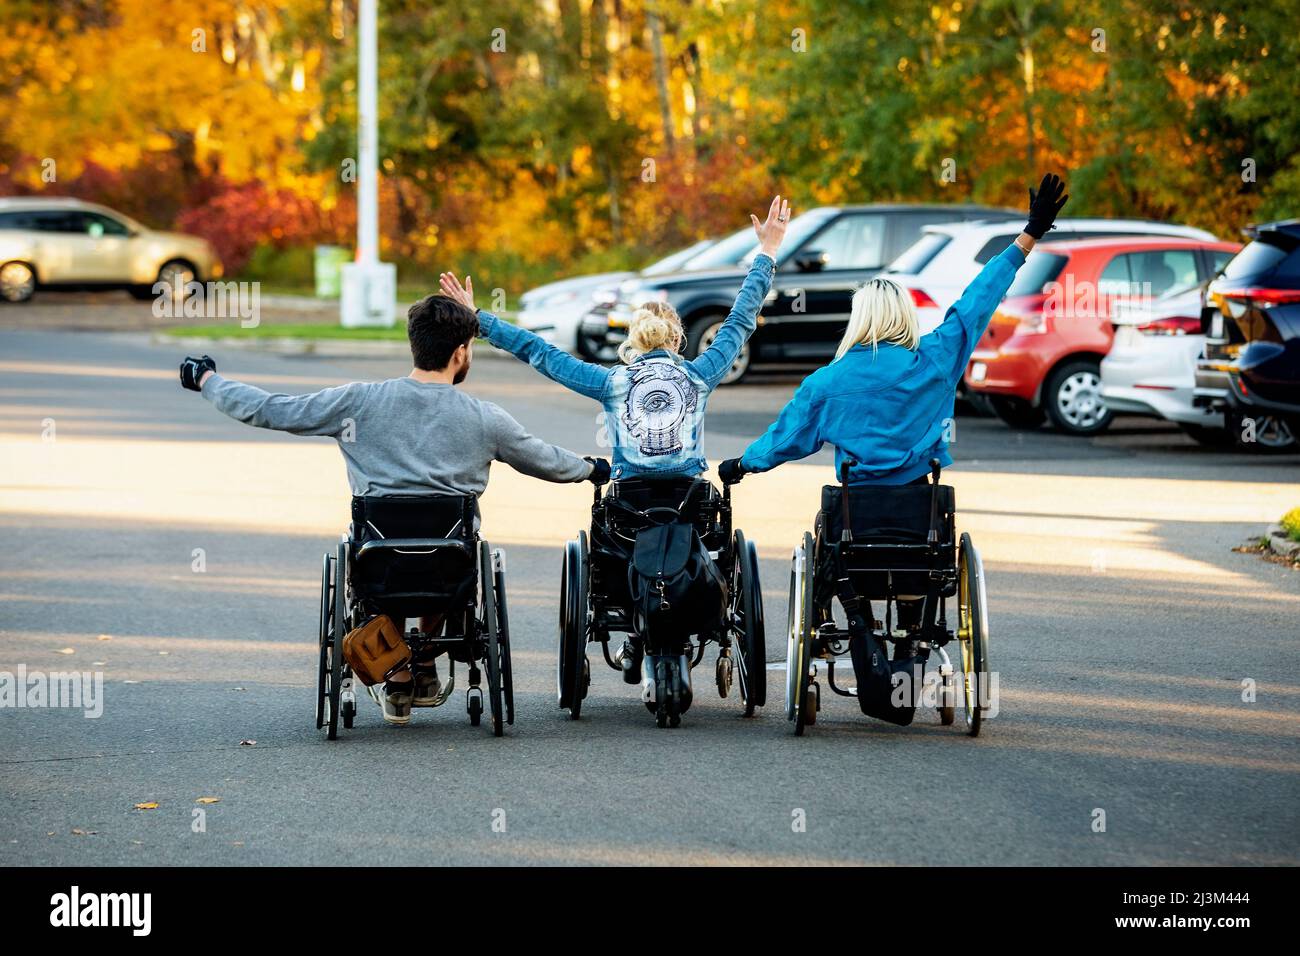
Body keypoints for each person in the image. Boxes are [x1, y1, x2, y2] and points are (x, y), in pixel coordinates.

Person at [178, 294, 608, 725]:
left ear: (415, 345)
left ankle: (399, 670)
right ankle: (421, 663)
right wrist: (593, 469)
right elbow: (546, 461)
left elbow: (270, 410)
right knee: (454, 547)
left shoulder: (359, 402)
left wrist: (208, 380)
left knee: (384, 549)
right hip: (449, 570)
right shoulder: (484, 418)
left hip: (376, 565)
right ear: (460, 353)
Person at [717, 174, 1069, 626]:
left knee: (830, 543)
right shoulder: (935, 361)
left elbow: (784, 440)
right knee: (919, 559)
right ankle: (912, 624)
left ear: (858, 319)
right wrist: (1030, 234)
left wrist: (742, 464)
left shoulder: (826, 383)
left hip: (852, 517)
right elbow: (977, 300)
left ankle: (837, 614)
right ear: (904, 314)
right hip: (920, 515)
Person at [437, 195, 791, 482]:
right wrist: (767, 252)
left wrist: (478, 320)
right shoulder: (700, 376)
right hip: (687, 502)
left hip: (629, 507)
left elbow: (539, 352)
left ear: (633, 340)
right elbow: (741, 319)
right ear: (677, 337)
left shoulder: (611, 383)